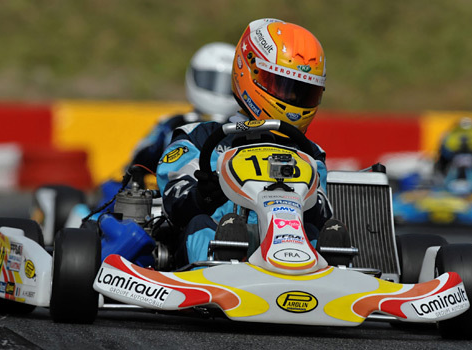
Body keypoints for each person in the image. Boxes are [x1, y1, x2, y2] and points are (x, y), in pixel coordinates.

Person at [156, 18, 338, 267]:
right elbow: (174, 203)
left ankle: (332, 276)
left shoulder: (310, 154)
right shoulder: (197, 138)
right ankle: (214, 272)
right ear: (249, 71)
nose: (293, 100)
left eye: (303, 92)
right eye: (283, 87)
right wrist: (204, 194)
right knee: (200, 224)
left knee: (319, 232)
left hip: (290, 252)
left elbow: (322, 213)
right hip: (219, 250)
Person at [128, 42, 240, 176]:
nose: (219, 89)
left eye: (227, 83)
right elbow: (137, 163)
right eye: (210, 79)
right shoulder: (173, 124)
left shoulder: (242, 129)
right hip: (175, 191)